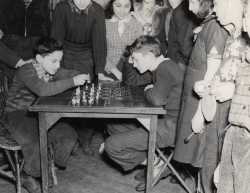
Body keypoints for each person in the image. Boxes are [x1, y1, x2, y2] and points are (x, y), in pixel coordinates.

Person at [2, 38, 90, 193]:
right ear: (39, 58)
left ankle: (48, 162)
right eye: (54, 61)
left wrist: (79, 74)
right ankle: (29, 174)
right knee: (35, 140)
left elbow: (65, 73)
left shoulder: (49, 68)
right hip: (16, 114)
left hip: (37, 112)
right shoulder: (26, 70)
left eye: (59, 61)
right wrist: (73, 81)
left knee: (68, 134)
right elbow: (42, 90)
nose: (57, 66)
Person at [104, 36, 185, 191]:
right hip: (169, 122)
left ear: (148, 56)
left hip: (171, 129)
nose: (131, 62)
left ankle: (159, 163)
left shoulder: (164, 68)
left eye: (135, 58)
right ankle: (156, 161)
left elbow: (156, 98)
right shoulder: (165, 66)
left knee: (111, 145)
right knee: (114, 126)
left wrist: (149, 90)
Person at [173, 0, 230, 193]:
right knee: (199, 161)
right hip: (195, 96)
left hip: (202, 100)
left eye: (192, 2)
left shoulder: (215, 27)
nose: (188, 7)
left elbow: (212, 72)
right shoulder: (208, 24)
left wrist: (200, 113)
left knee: (204, 158)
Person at [51, 0, 110, 81]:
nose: (82, 2)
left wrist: (100, 72)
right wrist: (54, 62)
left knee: (84, 89)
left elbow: (100, 43)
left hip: (86, 57)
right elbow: (56, 40)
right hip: (63, 55)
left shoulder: (98, 10)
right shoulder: (61, 7)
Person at [104, 0, 143, 80]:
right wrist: (116, 72)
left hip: (132, 71)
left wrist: (139, 21)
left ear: (131, 6)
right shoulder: (104, 23)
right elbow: (99, 52)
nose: (122, 10)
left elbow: (142, 49)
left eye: (126, 6)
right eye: (118, 6)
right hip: (108, 70)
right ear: (111, 5)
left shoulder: (136, 23)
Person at [167, 0, 200, 66]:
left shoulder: (207, 13)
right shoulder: (177, 12)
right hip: (180, 62)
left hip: (197, 63)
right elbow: (172, 44)